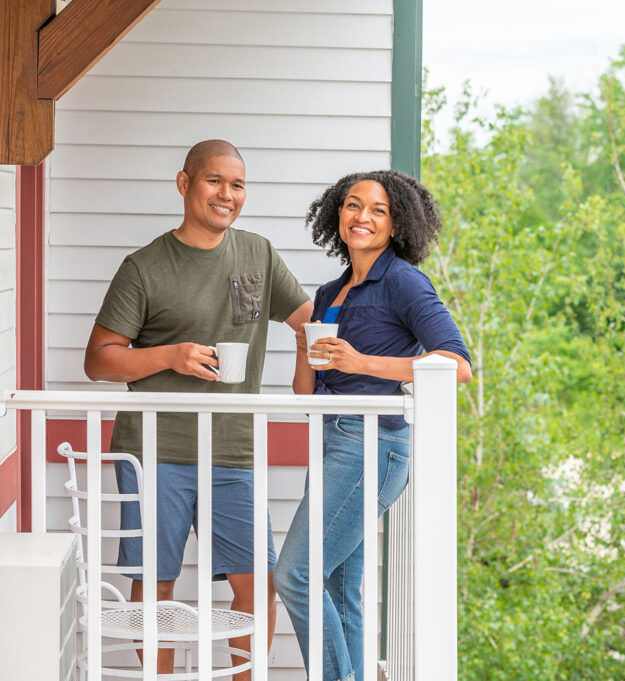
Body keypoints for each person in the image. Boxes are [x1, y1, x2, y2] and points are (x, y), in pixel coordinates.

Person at [83, 139, 314, 679]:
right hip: (154, 451)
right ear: (185, 184)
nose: (226, 195)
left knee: (257, 582)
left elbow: (310, 321)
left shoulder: (257, 254)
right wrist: (172, 356)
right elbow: (99, 360)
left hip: (233, 450)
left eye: (237, 185)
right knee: (155, 585)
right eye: (214, 181)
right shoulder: (143, 267)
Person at [274, 170, 472, 681]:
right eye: (353, 205)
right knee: (340, 589)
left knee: (295, 575)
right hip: (331, 438)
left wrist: (362, 363)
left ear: (397, 223)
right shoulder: (330, 291)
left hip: (372, 445)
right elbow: (306, 393)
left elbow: (457, 365)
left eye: (378, 210)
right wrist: (304, 350)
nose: (362, 217)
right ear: (336, 215)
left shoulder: (403, 282)